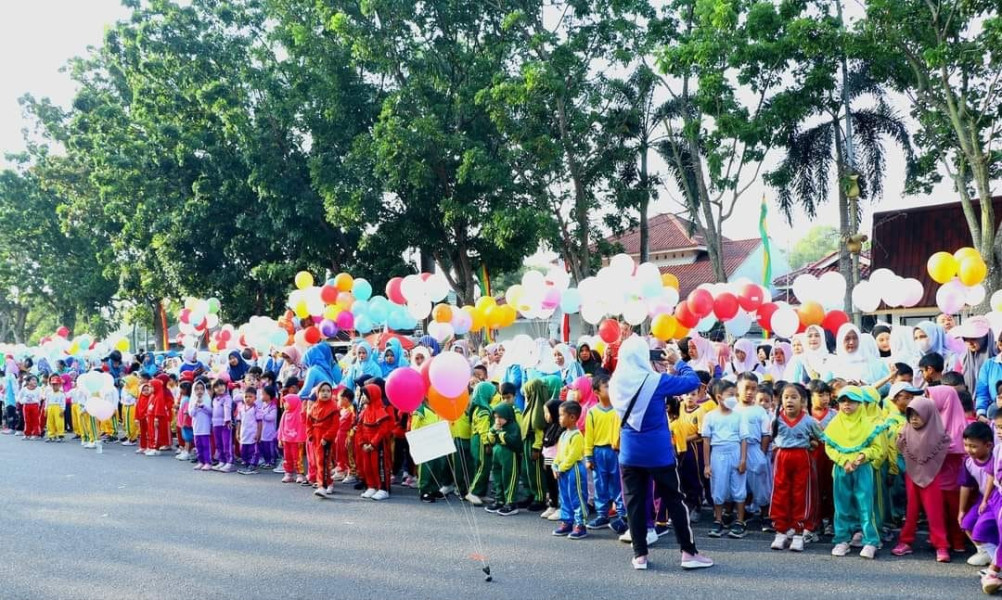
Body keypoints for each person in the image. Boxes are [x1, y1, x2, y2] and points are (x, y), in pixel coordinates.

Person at [610, 335, 711, 571]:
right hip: (658, 453)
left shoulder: (615, 382)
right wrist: (678, 362)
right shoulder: (655, 381)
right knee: (675, 501)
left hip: (629, 451)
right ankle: (688, 553)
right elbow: (691, 382)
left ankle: (640, 556)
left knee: (634, 504)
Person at [823, 386, 885, 559]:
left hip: (862, 469)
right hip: (841, 469)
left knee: (865, 506)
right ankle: (842, 539)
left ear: (860, 403)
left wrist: (861, 457)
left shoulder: (868, 424)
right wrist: (843, 461)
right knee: (842, 506)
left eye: (851, 401)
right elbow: (829, 446)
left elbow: (876, 448)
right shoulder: (835, 423)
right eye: (843, 400)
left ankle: (870, 541)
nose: (846, 404)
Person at [891, 395, 953, 562]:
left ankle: (941, 545)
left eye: (918, 415)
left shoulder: (941, 435)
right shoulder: (905, 431)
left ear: (929, 414)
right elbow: (900, 447)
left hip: (933, 476)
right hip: (912, 475)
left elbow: (944, 451)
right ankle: (905, 541)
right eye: (911, 415)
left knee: (934, 511)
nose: (914, 419)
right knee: (911, 511)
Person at [770, 382, 823, 551]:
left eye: (794, 397)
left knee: (801, 494)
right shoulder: (776, 419)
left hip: (802, 457)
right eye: (786, 397)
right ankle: (781, 531)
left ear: (803, 401)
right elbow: (770, 437)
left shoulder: (809, 421)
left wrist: (813, 444)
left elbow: (822, 438)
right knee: (780, 492)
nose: (789, 401)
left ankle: (799, 532)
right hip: (782, 457)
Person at [928, 385, 973, 553]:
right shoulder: (932, 420)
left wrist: (938, 447)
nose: (930, 402)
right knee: (938, 513)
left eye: (933, 397)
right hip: (935, 477)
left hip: (955, 479)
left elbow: (961, 448)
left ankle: (958, 541)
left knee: (955, 512)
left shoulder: (961, 424)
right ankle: (941, 543)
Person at [702, 379, 748, 538]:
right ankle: (718, 520)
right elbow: (706, 441)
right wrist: (707, 465)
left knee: (739, 487)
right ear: (719, 397)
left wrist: (743, 460)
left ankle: (740, 521)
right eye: (731, 395)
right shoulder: (710, 417)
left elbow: (743, 439)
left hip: (735, 451)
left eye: (735, 395)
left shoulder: (739, 416)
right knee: (718, 487)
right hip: (718, 455)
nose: (734, 398)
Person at [584, 372, 627, 533]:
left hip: (615, 451)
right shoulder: (592, 412)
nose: (610, 389)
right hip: (598, 451)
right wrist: (588, 456)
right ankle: (602, 514)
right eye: (606, 386)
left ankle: (622, 514)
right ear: (596, 392)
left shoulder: (618, 409)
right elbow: (589, 436)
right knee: (600, 484)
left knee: (618, 483)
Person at [735, 372, 773, 531]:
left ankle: (765, 516)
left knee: (761, 484)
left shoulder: (759, 411)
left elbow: (766, 434)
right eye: (746, 388)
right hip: (736, 450)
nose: (750, 392)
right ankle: (740, 519)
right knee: (739, 484)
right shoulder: (733, 409)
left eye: (753, 389)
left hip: (754, 449)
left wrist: (761, 454)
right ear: (738, 388)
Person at [958, 421, 999, 568]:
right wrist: (961, 510)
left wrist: (986, 501)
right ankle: (985, 551)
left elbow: (992, 478)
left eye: (974, 446)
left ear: (988, 445)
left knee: (981, 528)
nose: (969, 449)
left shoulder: (996, 458)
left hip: (995, 498)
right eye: (966, 445)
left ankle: (995, 555)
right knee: (966, 523)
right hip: (983, 498)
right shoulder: (968, 462)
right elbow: (965, 486)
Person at [552, 400, 589, 539]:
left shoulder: (577, 435)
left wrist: (560, 468)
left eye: (562, 415)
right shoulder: (563, 434)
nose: (559, 418)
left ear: (572, 417)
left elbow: (573, 456)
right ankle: (567, 521)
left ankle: (580, 525)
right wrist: (555, 466)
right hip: (562, 471)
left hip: (574, 470)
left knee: (577, 497)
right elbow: (560, 454)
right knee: (564, 497)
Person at [485, 401, 522, 516]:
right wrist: (492, 431)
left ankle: (511, 502)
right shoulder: (497, 426)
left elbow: (515, 442)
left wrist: (502, 435)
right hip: (497, 455)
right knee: (498, 478)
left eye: (501, 417)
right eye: (496, 417)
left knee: (509, 478)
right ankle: (500, 500)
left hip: (510, 456)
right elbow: (490, 440)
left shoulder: (513, 426)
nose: (498, 420)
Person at [356, 383, 392, 501]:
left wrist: (373, 443)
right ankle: (371, 486)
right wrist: (362, 443)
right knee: (367, 466)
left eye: (365, 395)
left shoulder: (381, 411)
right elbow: (359, 428)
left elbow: (383, 430)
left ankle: (383, 488)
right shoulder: (364, 412)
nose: (363, 397)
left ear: (373, 395)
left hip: (378, 445)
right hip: (366, 444)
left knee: (379, 466)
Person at [519, 378, 549, 512]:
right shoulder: (530, 407)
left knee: (536, 472)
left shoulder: (539, 409)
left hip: (534, 444)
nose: (525, 396)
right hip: (527, 442)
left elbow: (539, 429)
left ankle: (540, 497)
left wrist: (536, 447)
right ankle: (530, 494)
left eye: (527, 393)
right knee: (527, 471)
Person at [465, 381, 496, 505]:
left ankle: (481, 493)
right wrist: (487, 444)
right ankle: (473, 492)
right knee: (483, 467)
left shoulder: (477, 408)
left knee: (481, 466)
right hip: (481, 441)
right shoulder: (483, 410)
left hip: (476, 440)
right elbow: (484, 430)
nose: (493, 396)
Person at [307, 382, 339, 498]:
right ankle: (328, 483)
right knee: (317, 461)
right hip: (316, 437)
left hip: (325, 437)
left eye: (328, 391)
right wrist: (310, 434)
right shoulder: (314, 406)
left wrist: (327, 437)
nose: (325, 393)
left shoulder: (333, 407)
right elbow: (309, 422)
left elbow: (335, 425)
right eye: (323, 391)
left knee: (324, 461)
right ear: (318, 393)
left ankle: (323, 486)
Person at [952, 316, 996, 394]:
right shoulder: (962, 359)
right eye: (965, 339)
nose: (969, 343)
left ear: (986, 337)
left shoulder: (998, 359)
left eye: (974, 338)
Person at [540, 397, 564, 521]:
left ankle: (561, 507)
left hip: (557, 461)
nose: (546, 416)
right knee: (550, 483)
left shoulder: (561, 428)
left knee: (558, 484)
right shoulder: (549, 427)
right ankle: (552, 505)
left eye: (548, 412)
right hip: (548, 459)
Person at [278, 393, 307, 484]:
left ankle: (300, 474)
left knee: (297, 458)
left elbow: (302, 428)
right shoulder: (285, 414)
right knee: (287, 457)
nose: (284, 404)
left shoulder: (299, 414)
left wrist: (301, 439)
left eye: (286, 402)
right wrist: (280, 438)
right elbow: (281, 427)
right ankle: (288, 473)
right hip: (286, 440)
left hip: (297, 441)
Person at [974, 331, 1002, 419]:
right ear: (1000, 345)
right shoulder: (989, 365)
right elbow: (982, 393)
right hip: (995, 415)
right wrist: (981, 413)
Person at [188, 379, 213, 471]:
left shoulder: (207, 399)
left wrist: (203, 406)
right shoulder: (192, 399)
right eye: (197, 389)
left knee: (205, 445)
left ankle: (208, 462)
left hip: (205, 426)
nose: (199, 391)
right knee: (198, 445)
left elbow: (211, 412)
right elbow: (191, 413)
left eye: (201, 389)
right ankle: (201, 461)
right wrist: (195, 405)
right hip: (196, 426)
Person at [210, 379, 235, 473]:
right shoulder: (215, 399)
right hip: (216, 424)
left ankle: (230, 462)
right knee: (218, 443)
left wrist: (227, 420)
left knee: (226, 443)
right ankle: (222, 460)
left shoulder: (227, 398)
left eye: (222, 385)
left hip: (225, 424)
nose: (220, 388)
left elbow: (227, 409)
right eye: (217, 386)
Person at [334, 388, 355, 482]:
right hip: (339, 434)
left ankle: (352, 472)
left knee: (348, 454)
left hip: (346, 435)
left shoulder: (351, 410)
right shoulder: (343, 410)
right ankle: (341, 470)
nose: (337, 402)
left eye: (339, 399)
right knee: (340, 453)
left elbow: (354, 423)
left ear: (345, 399)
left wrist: (350, 436)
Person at [258, 386, 279, 469]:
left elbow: (272, 417)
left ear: (268, 396)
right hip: (263, 430)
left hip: (269, 431)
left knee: (269, 447)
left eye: (263, 394)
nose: (261, 396)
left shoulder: (272, 407)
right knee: (263, 447)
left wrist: (262, 415)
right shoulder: (263, 405)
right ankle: (266, 461)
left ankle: (271, 461)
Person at [42, 374, 66, 442]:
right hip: (50, 408)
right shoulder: (49, 394)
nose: (54, 386)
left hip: (58, 408)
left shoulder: (61, 394)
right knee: (50, 422)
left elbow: (63, 403)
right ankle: (51, 435)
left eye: (56, 384)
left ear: (60, 385)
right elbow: (47, 402)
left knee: (59, 422)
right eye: (53, 384)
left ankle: (60, 435)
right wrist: (45, 409)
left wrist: (63, 410)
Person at [18, 374, 42, 440]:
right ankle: (27, 434)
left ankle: (35, 434)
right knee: (27, 420)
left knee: (35, 420)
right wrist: (22, 401)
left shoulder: (38, 389)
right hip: (26, 406)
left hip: (35, 406)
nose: (35, 381)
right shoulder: (24, 389)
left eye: (36, 380)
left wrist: (36, 400)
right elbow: (19, 397)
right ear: (28, 382)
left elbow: (40, 397)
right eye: (33, 380)